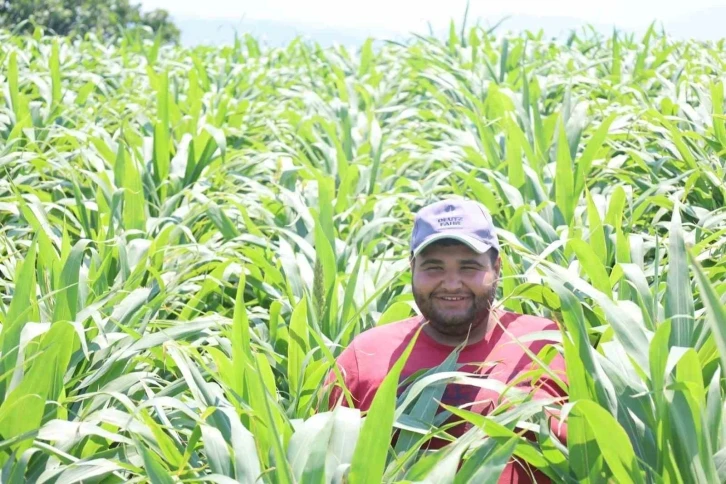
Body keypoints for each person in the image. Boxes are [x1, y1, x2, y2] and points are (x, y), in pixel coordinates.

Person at [326, 198, 568, 483]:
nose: (452, 284)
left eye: (468, 267)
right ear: (412, 267)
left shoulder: (550, 346)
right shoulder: (365, 356)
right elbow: (324, 465)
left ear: (497, 267)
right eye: (434, 267)